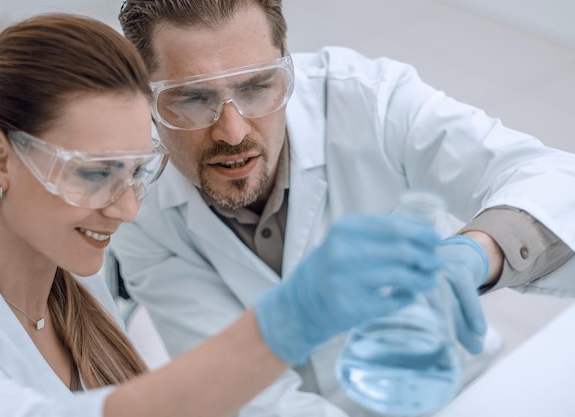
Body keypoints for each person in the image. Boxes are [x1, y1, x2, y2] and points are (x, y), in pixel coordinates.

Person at [0, 12, 451, 417]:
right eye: (96, 173)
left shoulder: (66, 263)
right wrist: (285, 322)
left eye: (135, 173)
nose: (126, 210)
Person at [112, 1, 575, 416]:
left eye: (257, 86)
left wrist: (477, 253)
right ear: (143, 94)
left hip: (455, 391)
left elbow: (553, 180)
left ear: (285, 61)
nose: (233, 132)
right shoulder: (136, 208)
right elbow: (252, 397)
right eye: (194, 98)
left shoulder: (368, 100)